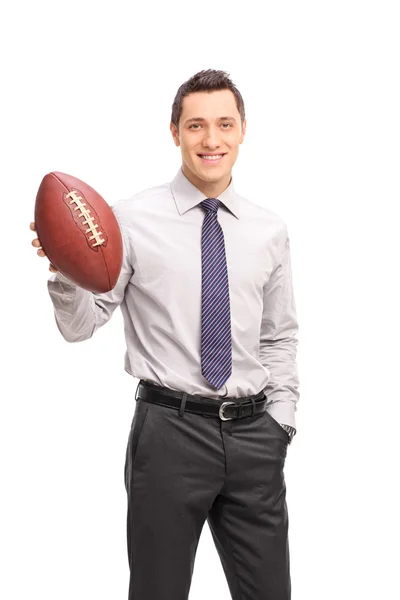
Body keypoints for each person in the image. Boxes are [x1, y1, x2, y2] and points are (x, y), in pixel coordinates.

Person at [30, 68, 300, 600]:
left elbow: (280, 335)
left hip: (255, 439)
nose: (211, 139)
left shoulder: (269, 229)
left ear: (243, 129)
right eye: (196, 125)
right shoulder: (126, 221)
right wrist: (65, 270)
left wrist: (281, 424)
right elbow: (80, 327)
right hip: (169, 435)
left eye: (224, 124)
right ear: (174, 131)